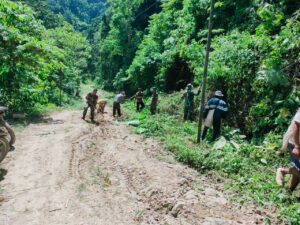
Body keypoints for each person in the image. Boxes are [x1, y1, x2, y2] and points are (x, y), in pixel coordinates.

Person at [276, 109, 300, 191]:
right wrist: (297, 146)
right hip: (295, 141)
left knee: (298, 170)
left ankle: (289, 192)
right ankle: (283, 171)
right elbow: (296, 125)